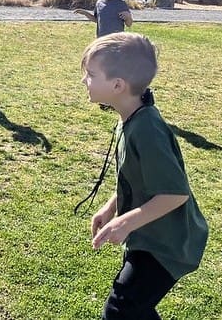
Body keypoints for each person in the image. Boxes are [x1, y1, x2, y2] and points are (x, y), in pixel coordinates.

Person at [79, 32, 208, 320]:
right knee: (135, 309)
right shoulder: (130, 117)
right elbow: (136, 174)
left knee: (120, 308)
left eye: (90, 74)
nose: (84, 80)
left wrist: (125, 221)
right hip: (148, 235)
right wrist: (111, 206)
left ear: (117, 85)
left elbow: (175, 193)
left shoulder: (147, 129)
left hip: (168, 243)